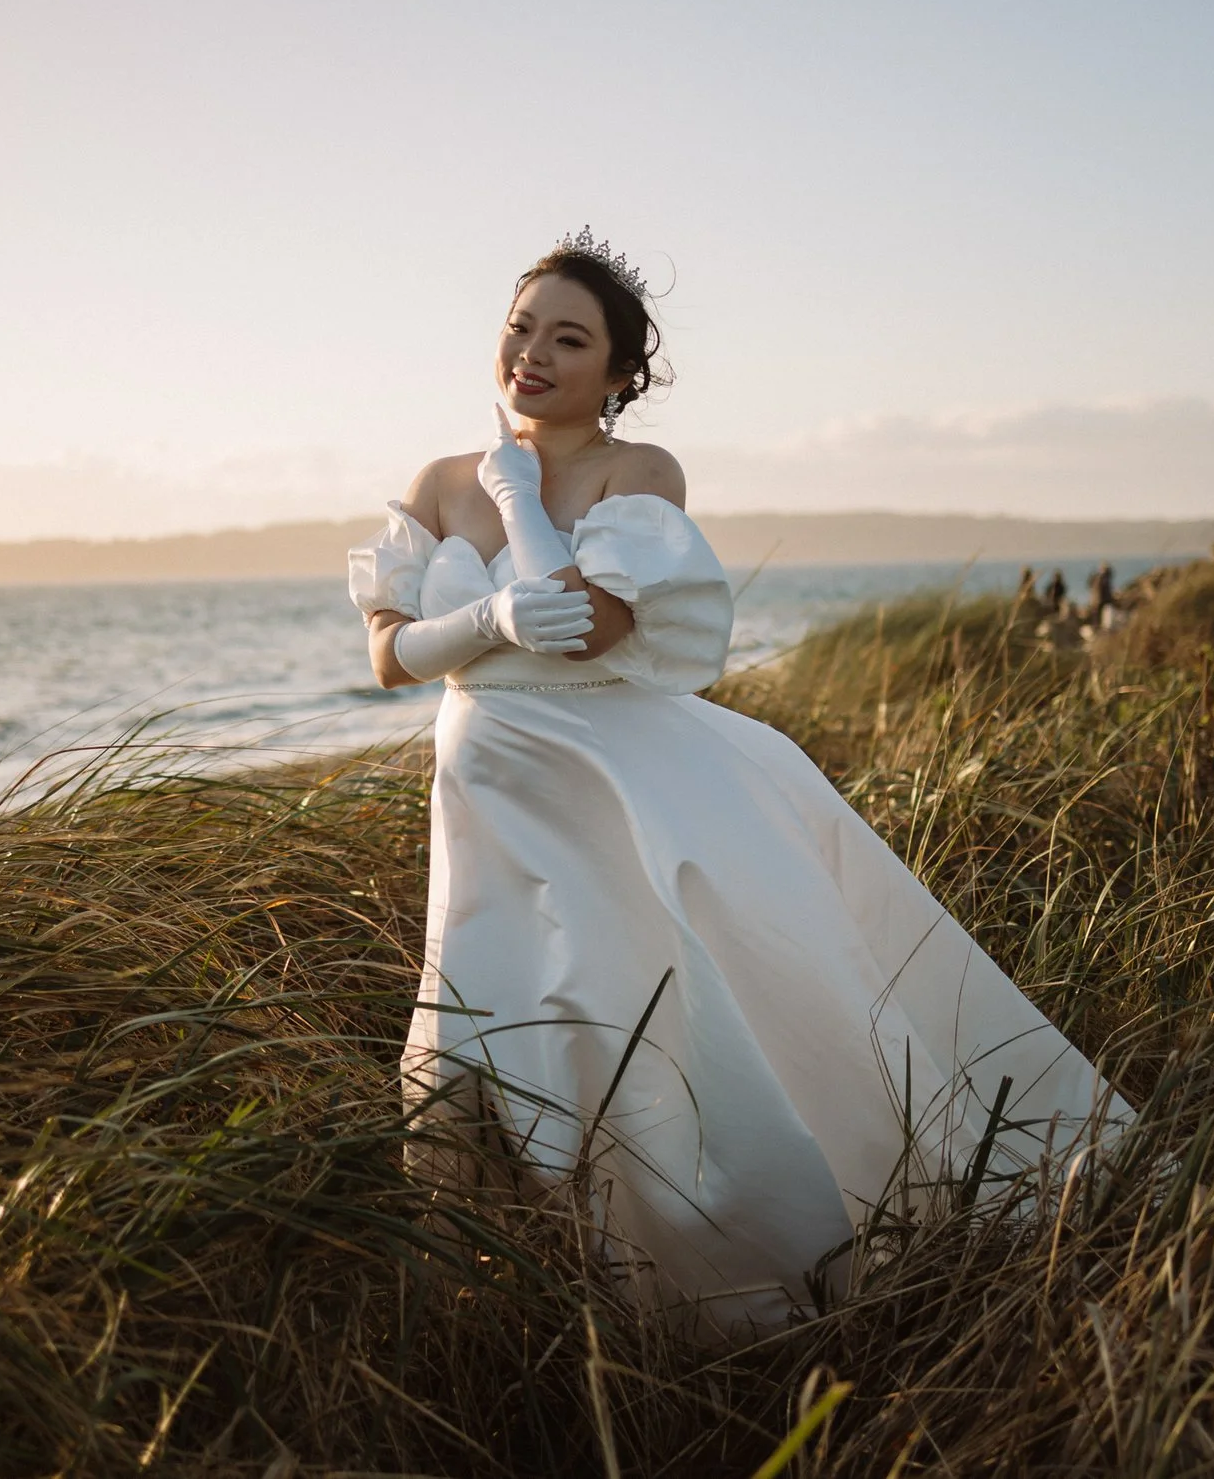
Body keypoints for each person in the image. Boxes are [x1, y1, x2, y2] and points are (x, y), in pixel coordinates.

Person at [347, 230, 1125, 1335]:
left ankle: (726, 1275)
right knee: (495, 1017)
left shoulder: (637, 473)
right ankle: (524, 1288)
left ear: (618, 373)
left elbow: (592, 629)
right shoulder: (431, 481)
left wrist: (521, 506)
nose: (532, 353)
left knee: (632, 1010)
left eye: (568, 338)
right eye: (520, 327)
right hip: (484, 802)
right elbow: (386, 657)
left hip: (611, 786)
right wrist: (482, 617)